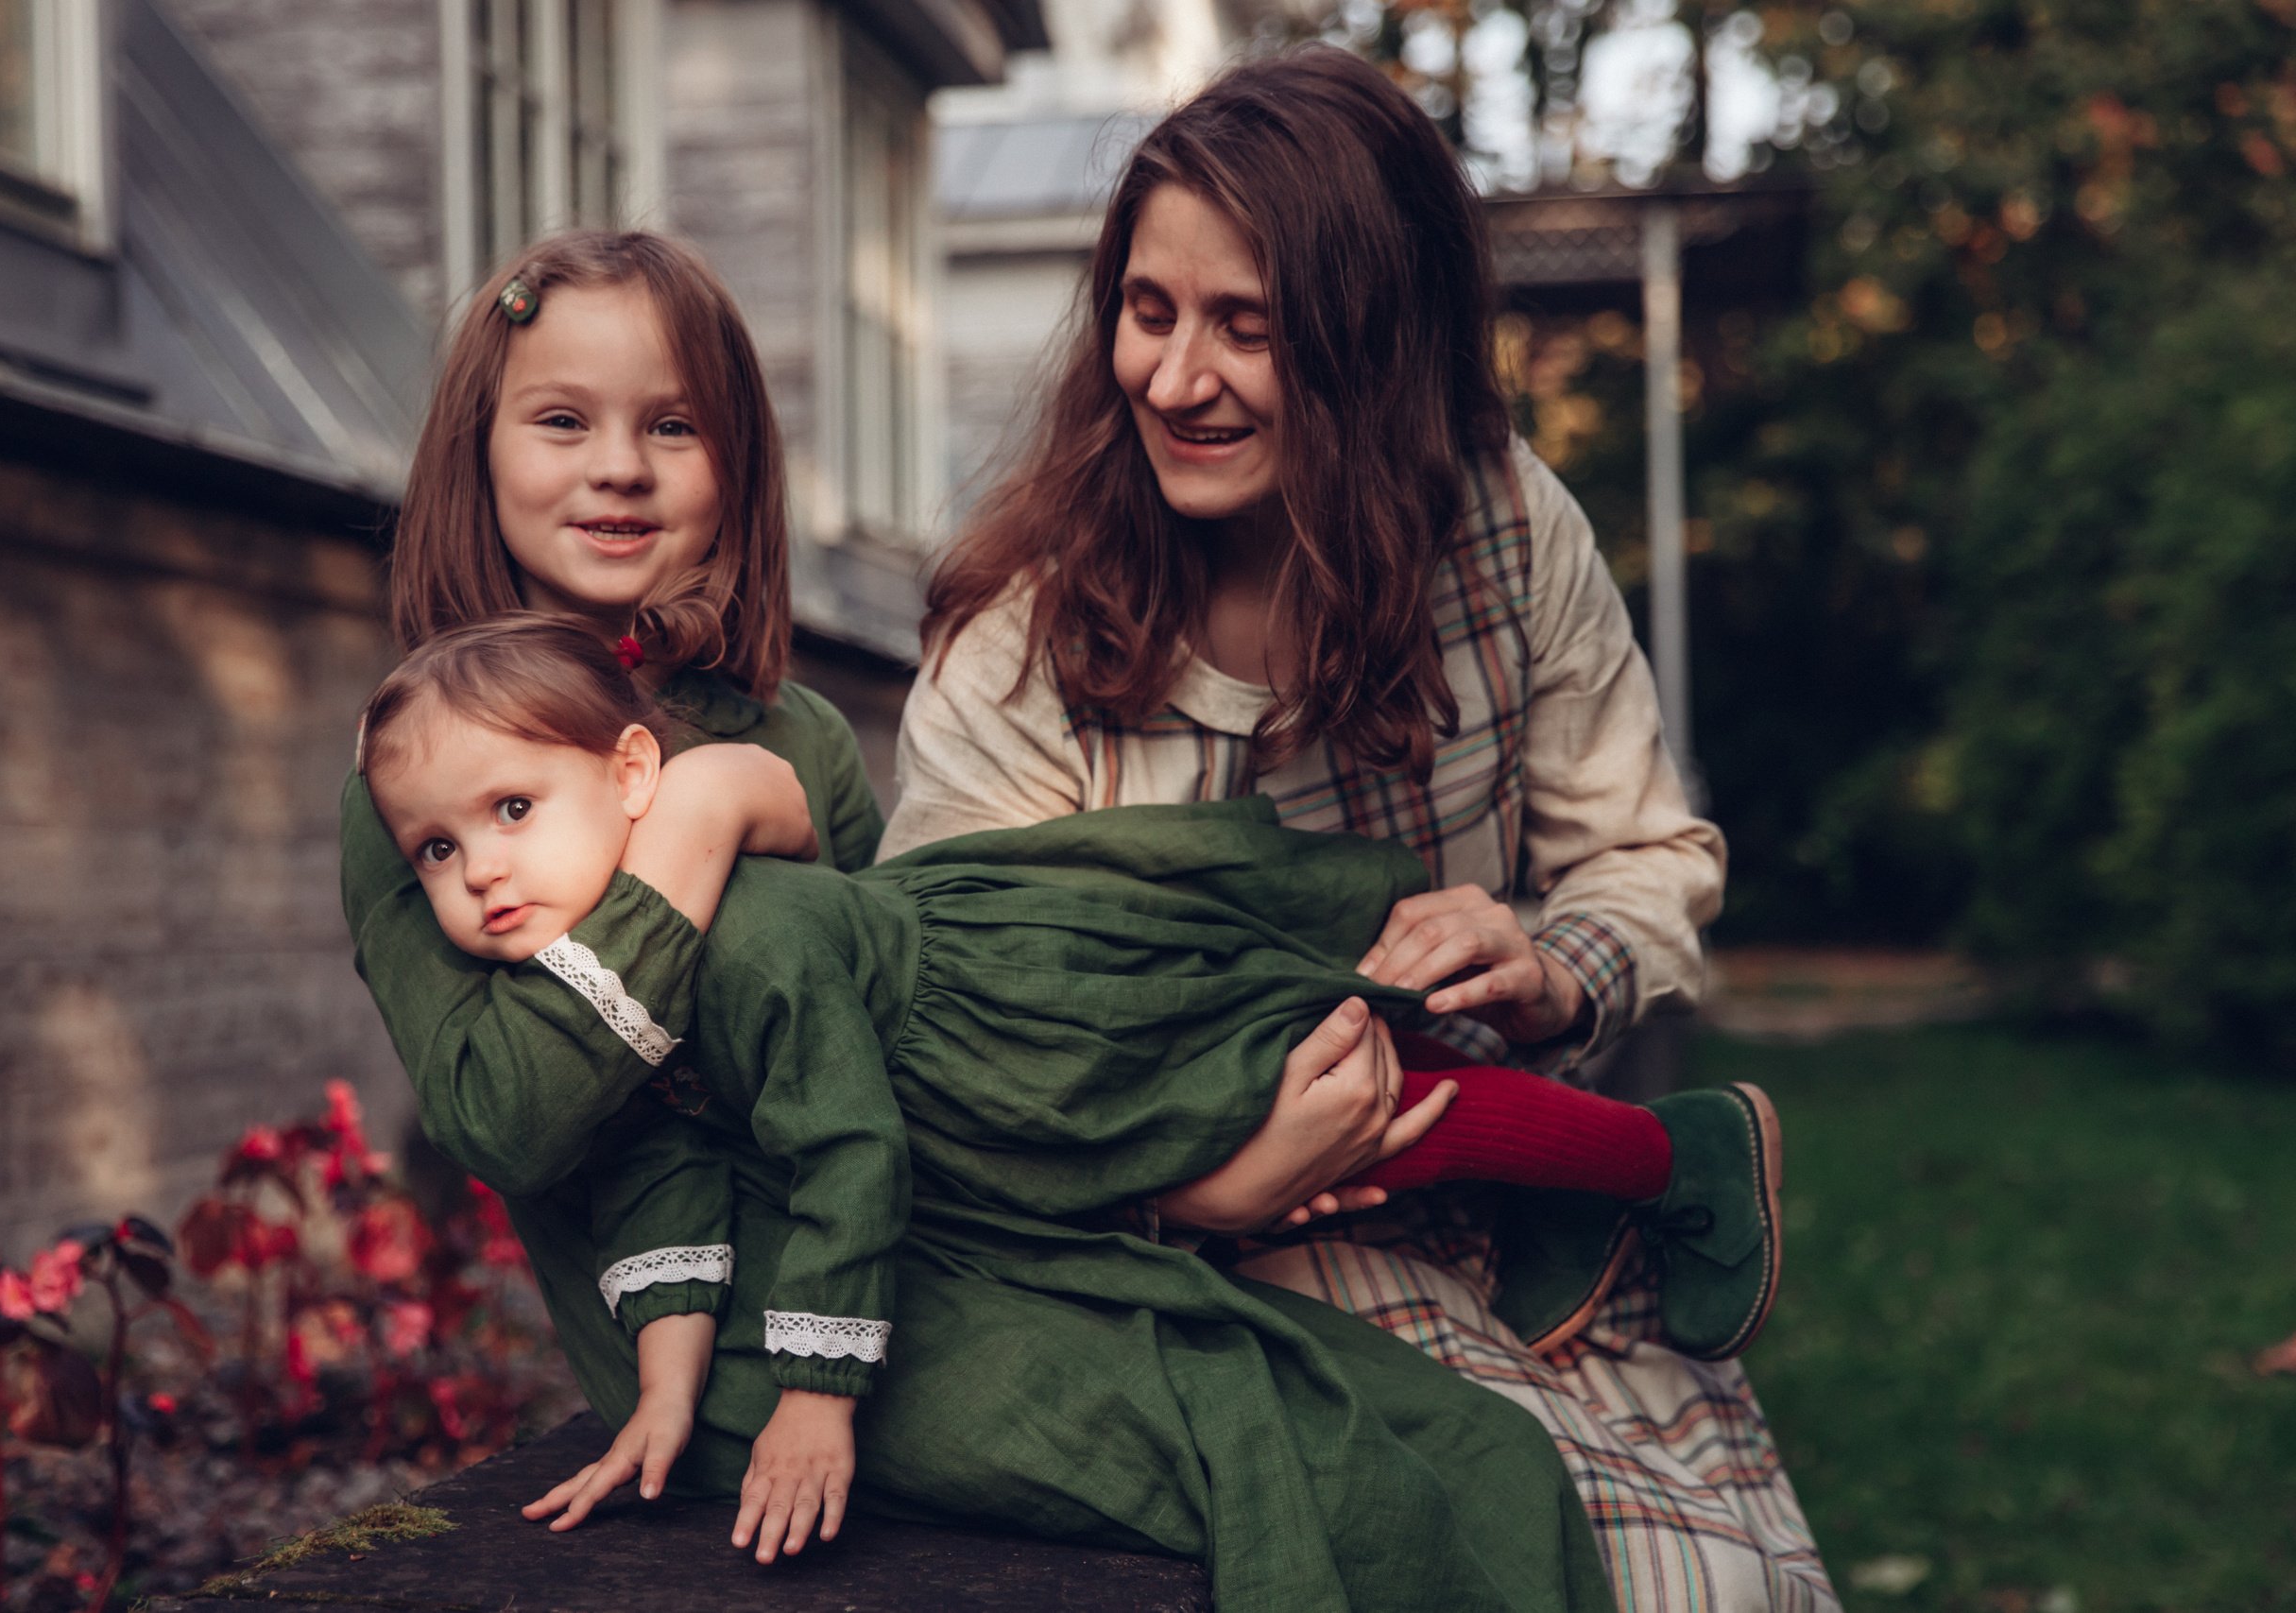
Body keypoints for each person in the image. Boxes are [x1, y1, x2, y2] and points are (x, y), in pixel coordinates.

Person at [339, 232, 1616, 1611]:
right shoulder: (420, 781)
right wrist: (697, 827)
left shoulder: (794, 732)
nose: (620, 466)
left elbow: (897, 1071)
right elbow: (503, 1113)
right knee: (1250, 1449)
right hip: (724, 1350)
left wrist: (1187, 1192)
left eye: (672, 425)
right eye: (561, 421)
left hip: (910, 1225)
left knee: (1440, 1434)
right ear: (479, 449)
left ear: (741, 465)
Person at [882, 47, 1840, 1611]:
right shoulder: (1023, 644)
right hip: (1193, 1267)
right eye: (1149, 310)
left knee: (1747, 1589)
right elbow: (944, 1058)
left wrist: (1545, 958)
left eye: (1246, 328)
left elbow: (1651, 854)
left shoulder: (1509, 532)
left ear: (1374, 345)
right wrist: (1210, 1185)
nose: (1177, 379)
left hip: (1524, 1195)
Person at [352, 611, 1785, 1552]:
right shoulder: (614, 974)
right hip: (993, 1106)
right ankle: (1560, 1192)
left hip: (1038, 1035)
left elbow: (848, 1155)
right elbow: (672, 1168)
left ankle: (1675, 1161)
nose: (476, 869)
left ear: (638, 774)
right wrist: (667, 1392)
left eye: (514, 812)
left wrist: (815, 1395)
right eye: (432, 849)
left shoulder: (745, 942)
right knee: (1310, 1130)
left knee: (1312, 1085)